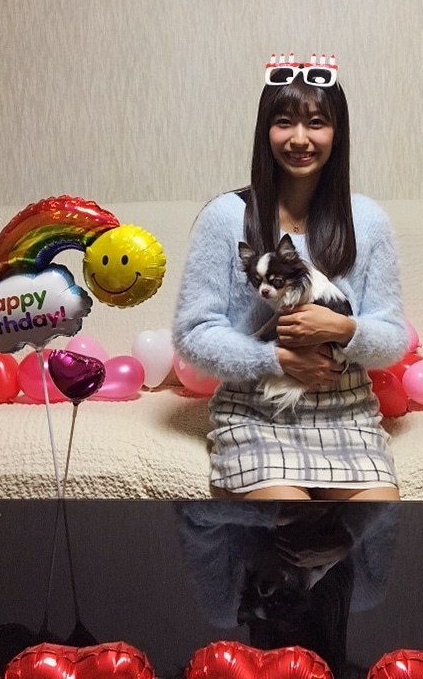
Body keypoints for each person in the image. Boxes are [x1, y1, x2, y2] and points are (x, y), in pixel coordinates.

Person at [172, 53, 408, 500]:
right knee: (289, 521)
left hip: (347, 410)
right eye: (284, 122)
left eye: (316, 122)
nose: (300, 138)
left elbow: (394, 336)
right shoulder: (225, 217)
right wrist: (275, 359)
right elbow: (194, 332)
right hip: (257, 409)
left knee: (375, 528)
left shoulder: (367, 220)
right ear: (266, 131)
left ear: (337, 132)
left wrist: (344, 329)